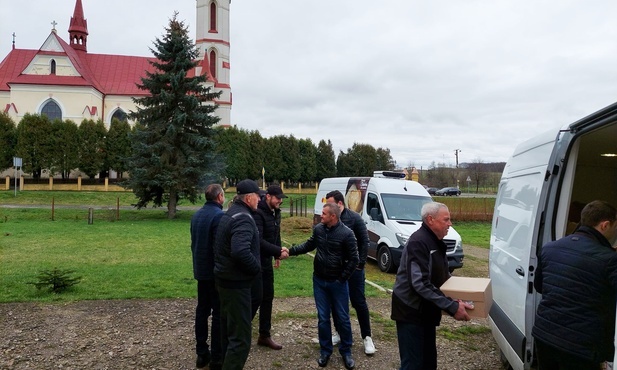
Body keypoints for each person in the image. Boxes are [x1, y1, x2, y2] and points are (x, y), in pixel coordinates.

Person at [532, 200, 617, 370]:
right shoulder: (609, 259)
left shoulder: (550, 248)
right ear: (605, 225)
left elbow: (540, 286)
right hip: (581, 348)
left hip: (545, 336)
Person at [391, 202, 471, 370]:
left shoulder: (435, 242)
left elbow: (442, 277)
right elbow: (419, 284)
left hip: (426, 311)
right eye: (446, 220)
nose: (450, 224)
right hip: (410, 312)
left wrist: (455, 299)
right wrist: (451, 306)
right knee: (413, 365)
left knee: (428, 362)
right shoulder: (418, 242)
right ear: (430, 220)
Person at [289, 203, 359, 370]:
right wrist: (289, 252)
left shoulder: (347, 234)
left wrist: (341, 279)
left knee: (342, 318)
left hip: (337, 283)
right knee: (323, 318)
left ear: (333, 216)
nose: (321, 216)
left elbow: (354, 259)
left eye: (324, 213)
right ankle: (325, 350)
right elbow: (308, 245)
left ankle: (346, 350)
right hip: (319, 281)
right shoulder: (319, 229)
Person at [214, 179, 263, 370]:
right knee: (241, 340)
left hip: (225, 280)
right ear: (249, 197)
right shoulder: (243, 217)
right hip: (236, 285)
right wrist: (256, 268)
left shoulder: (230, 213)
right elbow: (240, 251)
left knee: (229, 333)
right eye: (258, 196)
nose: (260, 199)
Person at [325, 190, 375, 355]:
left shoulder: (355, 218)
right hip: (335, 271)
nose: (327, 207)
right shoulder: (329, 219)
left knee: (359, 302)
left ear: (340, 204)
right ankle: (339, 333)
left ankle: (367, 337)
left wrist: (359, 264)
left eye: (330, 203)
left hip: (354, 270)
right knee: (337, 303)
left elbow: (364, 242)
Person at [190, 184, 226, 369]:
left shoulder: (197, 215)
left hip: (200, 271)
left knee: (202, 311)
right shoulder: (219, 216)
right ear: (219, 197)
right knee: (218, 314)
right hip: (214, 273)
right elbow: (218, 247)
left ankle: (201, 352)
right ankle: (217, 357)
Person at [252, 184, 289, 350]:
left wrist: (277, 254)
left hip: (267, 261)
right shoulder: (258, 213)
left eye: (281, 198)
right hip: (255, 263)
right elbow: (258, 241)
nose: (280, 201)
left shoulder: (276, 212)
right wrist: (278, 250)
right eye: (277, 198)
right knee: (255, 299)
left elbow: (276, 233)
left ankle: (264, 335)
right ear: (268, 196)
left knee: (268, 297)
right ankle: (239, 333)